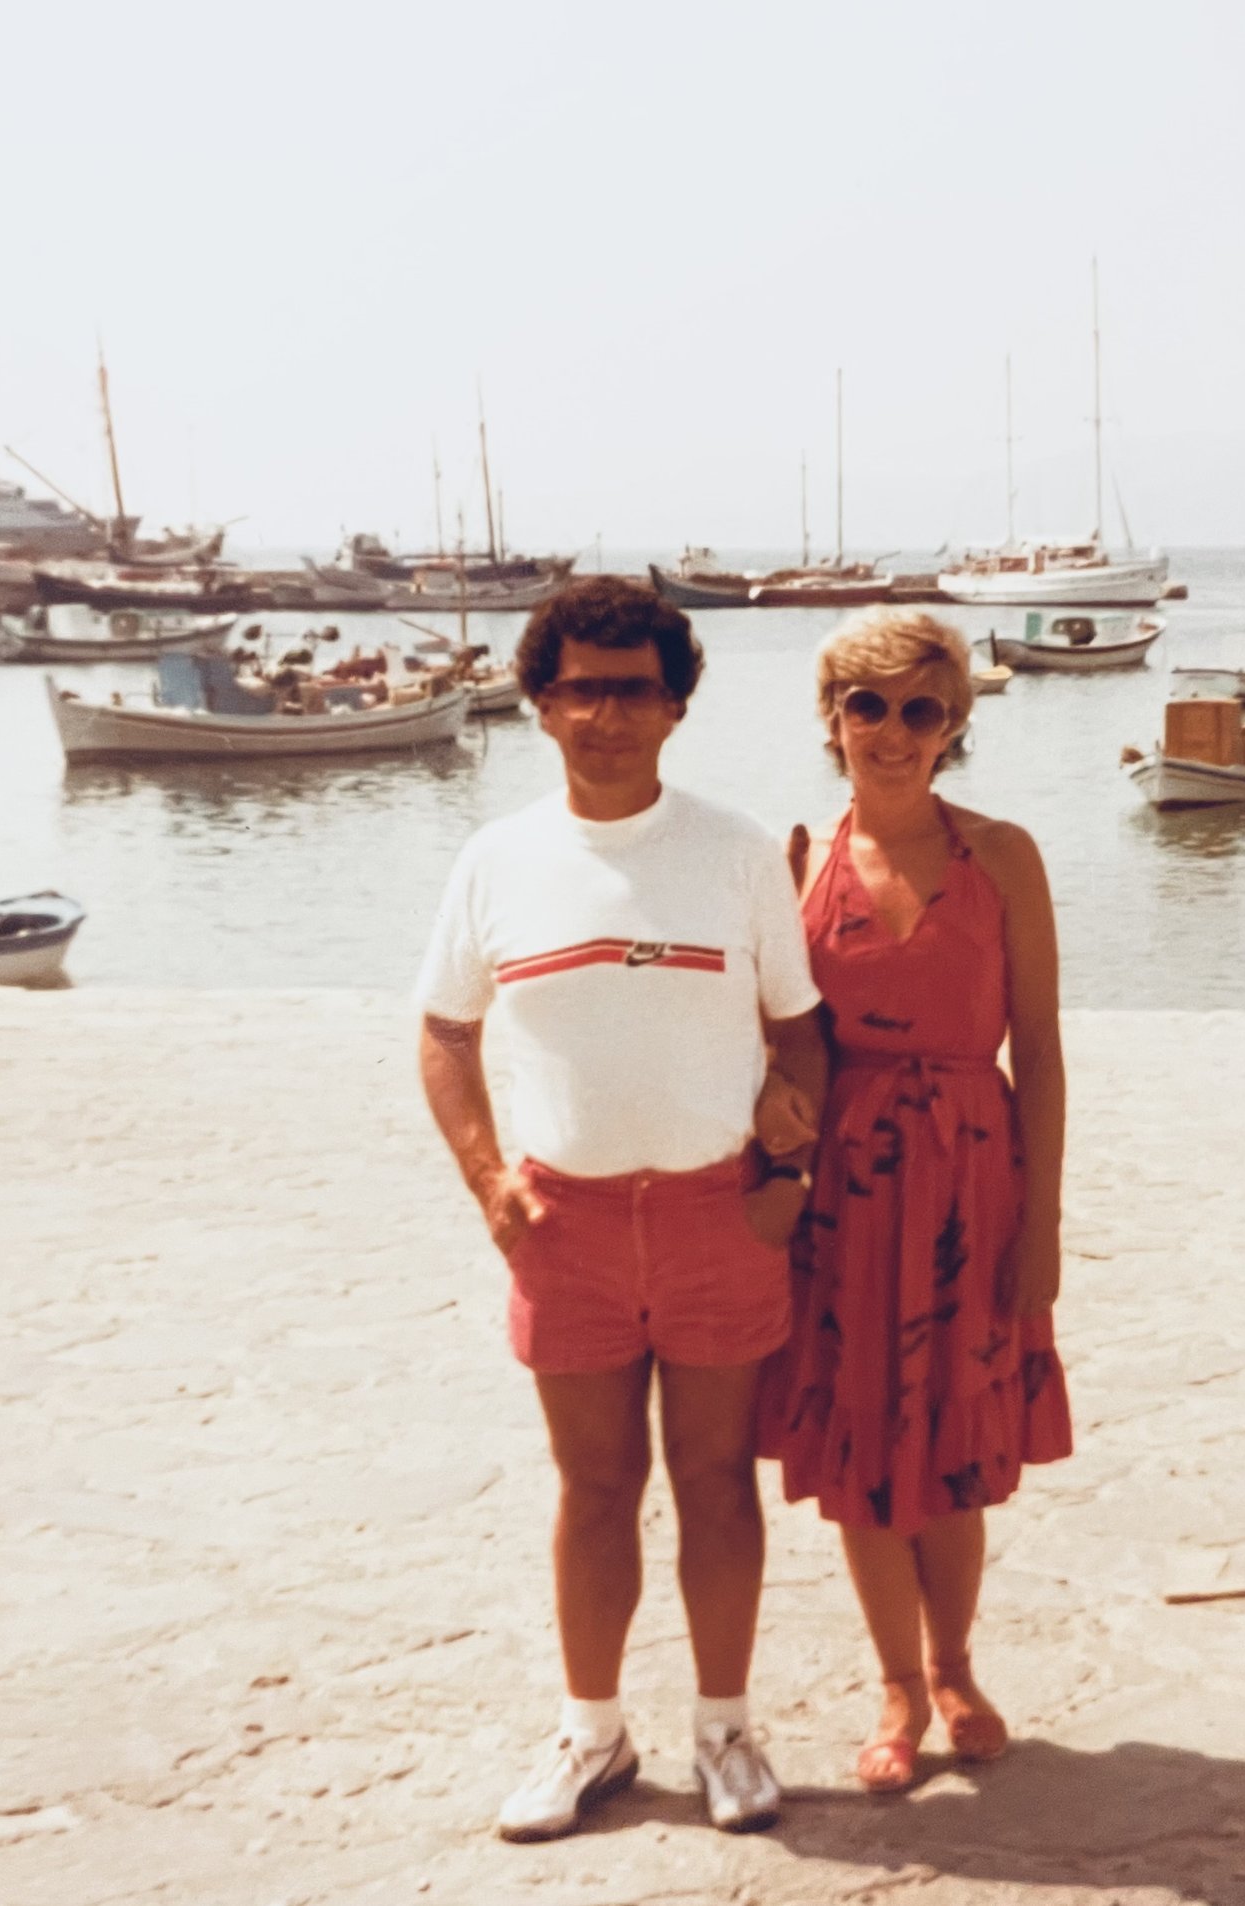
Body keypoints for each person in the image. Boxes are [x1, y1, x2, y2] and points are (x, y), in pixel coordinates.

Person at [414, 577, 828, 1843]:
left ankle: (724, 1726)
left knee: (715, 1484)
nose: (605, 712)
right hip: (568, 1226)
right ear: (539, 703)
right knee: (593, 1488)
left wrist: (787, 1181)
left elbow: (801, 1035)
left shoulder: (738, 849)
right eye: (579, 686)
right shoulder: (497, 859)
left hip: (718, 1217)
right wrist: (490, 1180)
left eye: (631, 687)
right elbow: (444, 1032)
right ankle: (593, 1731)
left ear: (676, 704)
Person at [759, 608, 1072, 1795]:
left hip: (972, 1175)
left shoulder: (1005, 858)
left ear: (954, 727)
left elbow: (1037, 1048)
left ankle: (953, 1665)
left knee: (954, 1433)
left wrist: (1041, 1223)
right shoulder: (799, 864)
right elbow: (780, 1045)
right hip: (844, 1185)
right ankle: (893, 1680)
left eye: (919, 709)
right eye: (868, 707)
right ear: (834, 721)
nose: (891, 732)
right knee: (859, 1435)